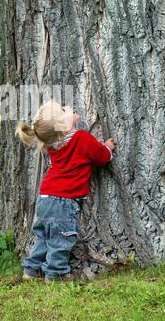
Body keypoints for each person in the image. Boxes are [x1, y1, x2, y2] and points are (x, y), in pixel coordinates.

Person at [15, 99, 116, 283]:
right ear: (63, 125)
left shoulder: (51, 143)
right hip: (63, 201)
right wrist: (108, 148)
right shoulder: (81, 138)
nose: (68, 107)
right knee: (60, 239)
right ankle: (56, 273)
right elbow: (101, 157)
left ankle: (32, 269)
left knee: (43, 236)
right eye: (63, 110)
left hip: (45, 197)